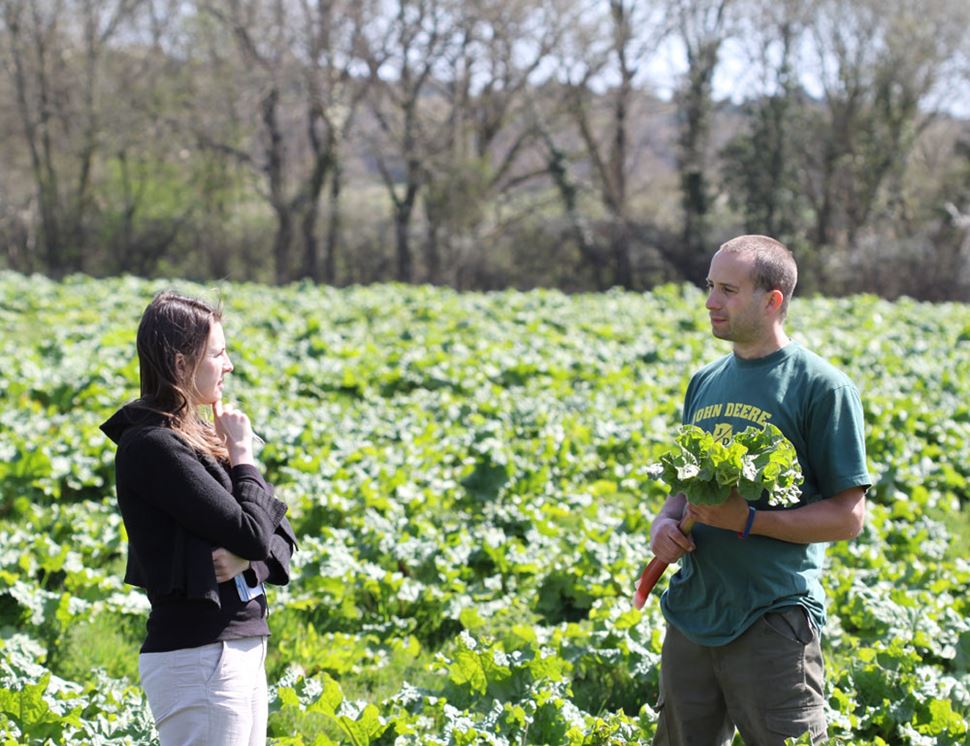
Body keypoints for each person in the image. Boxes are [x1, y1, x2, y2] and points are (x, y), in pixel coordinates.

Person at [648, 235, 870, 745]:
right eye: (710, 286)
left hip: (771, 620)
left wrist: (749, 521)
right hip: (693, 613)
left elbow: (848, 516)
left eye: (728, 289)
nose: (710, 301)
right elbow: (687, 487)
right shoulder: (705, 381)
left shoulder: (822, 387)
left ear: (773, 300)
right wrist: (664, 522)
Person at [100, 290, 296, 746]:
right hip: (200, 655)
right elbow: (251, 532)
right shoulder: (153, 446)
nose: (228, 365)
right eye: (218, 354)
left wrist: (250, 562)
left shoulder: (203, 437)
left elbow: (280, 535)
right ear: (181, 363)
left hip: (237, 649)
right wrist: (243, 455)